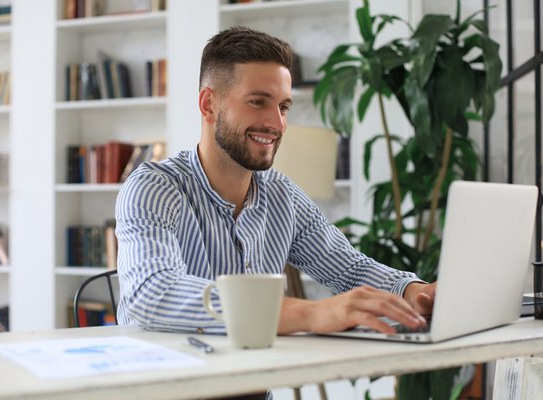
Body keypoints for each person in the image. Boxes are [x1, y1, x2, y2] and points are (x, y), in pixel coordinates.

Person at [115, 25, 436, 337]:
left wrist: (415, 292)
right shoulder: (152, 187)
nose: (276, 123)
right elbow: (152, 293)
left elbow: (350, 270)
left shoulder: (284, 196)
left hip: (251, 388)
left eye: (283, 107)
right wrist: (310, 313)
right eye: (258, 102)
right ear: (208, 105)